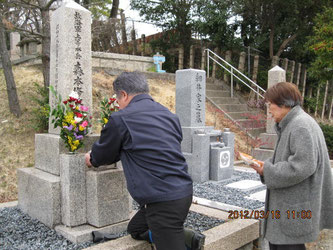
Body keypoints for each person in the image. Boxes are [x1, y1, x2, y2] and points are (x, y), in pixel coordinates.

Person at [85, 72, 205, 250]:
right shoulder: (169, 115)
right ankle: (184, 236)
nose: (118, 105)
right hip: (183, 191)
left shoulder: (121, 119)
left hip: (162, 201)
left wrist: (91, 158)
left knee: (169, 236)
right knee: (135, 229)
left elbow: (104, 155)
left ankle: (177, 238)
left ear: (124, 94)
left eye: (117, 100)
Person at [250, 82, 333, 250]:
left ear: (284, 103)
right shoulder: (294, 122)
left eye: (270, 104)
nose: (269, 110)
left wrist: (267, 170)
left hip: (293, 211)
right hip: (292, 206)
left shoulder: (299, 125)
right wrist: (265, 168)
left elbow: (302, 166)